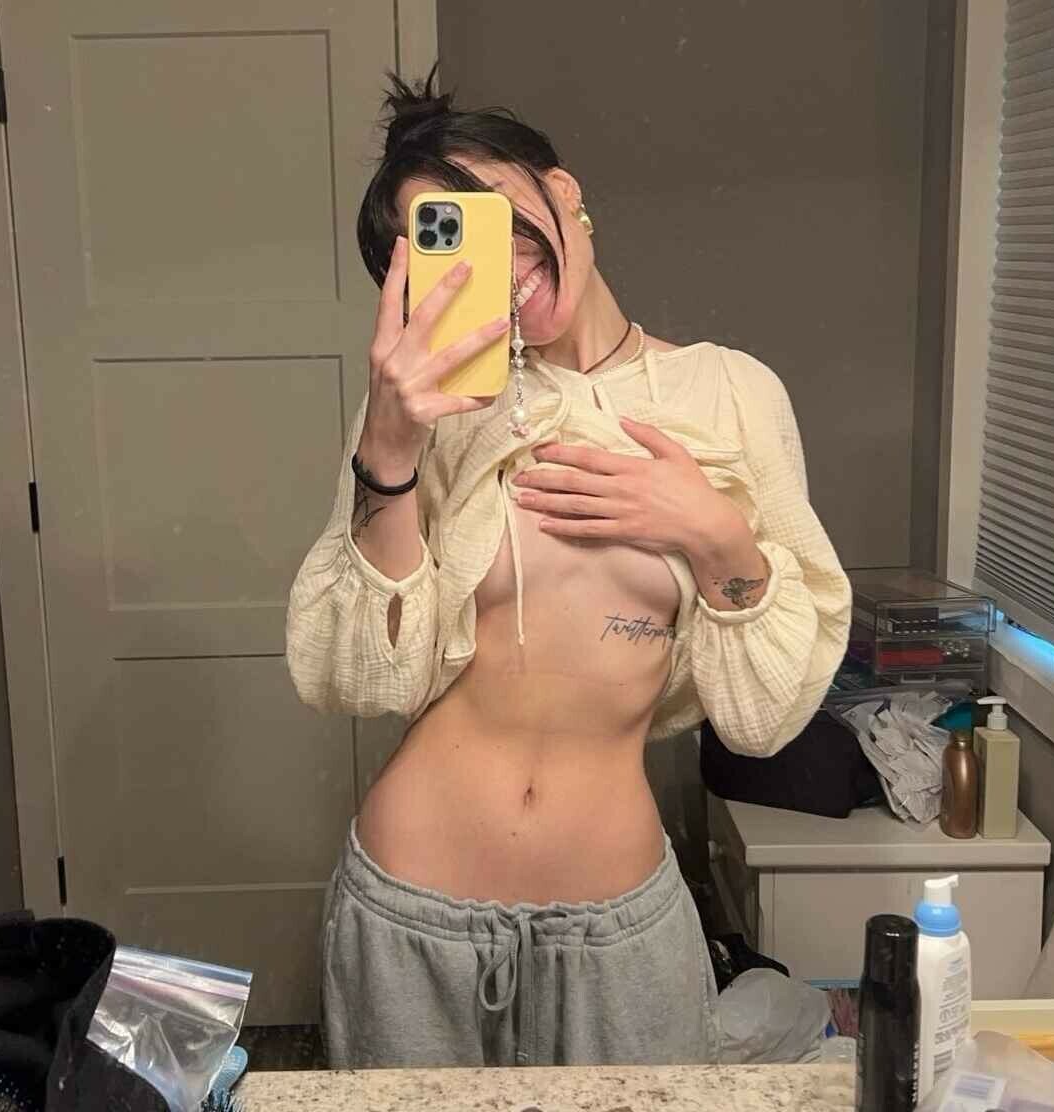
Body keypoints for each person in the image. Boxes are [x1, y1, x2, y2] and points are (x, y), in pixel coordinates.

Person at [286, 71, 851, 1069]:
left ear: (563, 190)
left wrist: (713, 532)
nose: (494, 264)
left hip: (618, 923)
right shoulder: (425, 411)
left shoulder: (730, 394)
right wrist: (389, 447)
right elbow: (361, 674)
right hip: (411, 910)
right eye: (446, 242)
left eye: (493, 215)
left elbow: (763, 717)